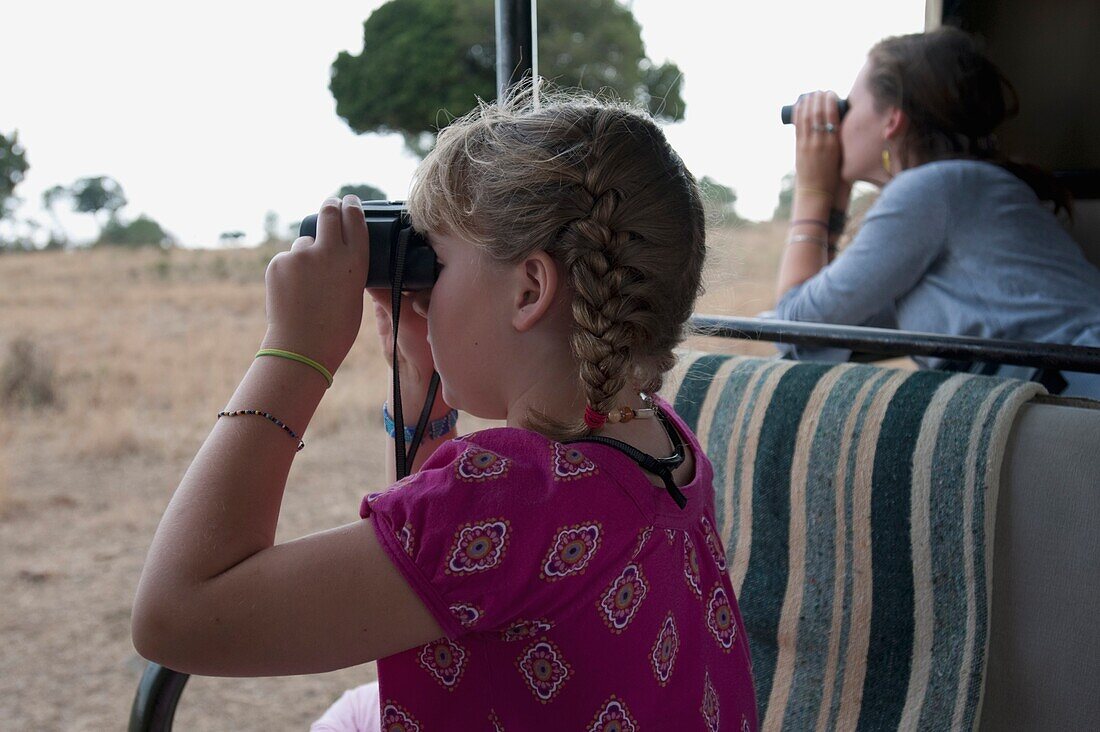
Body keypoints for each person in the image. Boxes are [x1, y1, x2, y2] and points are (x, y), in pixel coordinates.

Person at [131, 90, 759, 731]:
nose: (426, 297)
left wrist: (295, 353)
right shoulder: (663, 443)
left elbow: (177, 616)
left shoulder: (519, 492)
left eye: (439, 263)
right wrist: (416, 369)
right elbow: (460, 575)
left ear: (530, 289)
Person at [774, 26, 1100, 399]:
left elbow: (793, 326)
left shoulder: (931, 189)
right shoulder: (955, 191)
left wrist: (813, 190)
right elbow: (825, 325)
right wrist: (835, 198)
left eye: (847, 106)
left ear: (892, 120)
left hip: (1084, 405)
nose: (837, 123)